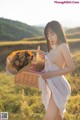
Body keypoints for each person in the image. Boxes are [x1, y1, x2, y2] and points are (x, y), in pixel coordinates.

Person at [38, 20, 75, 120]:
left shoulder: (63, 46)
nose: (50, 38)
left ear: (59, 32)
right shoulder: (54, 48)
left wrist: (50, 74)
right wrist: (43, 56)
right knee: (57, 117)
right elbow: (52, 63)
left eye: (52, 34)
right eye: (48, 35)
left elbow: (71, 67)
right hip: (54, 86)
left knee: (49, 118)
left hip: (60, 87)